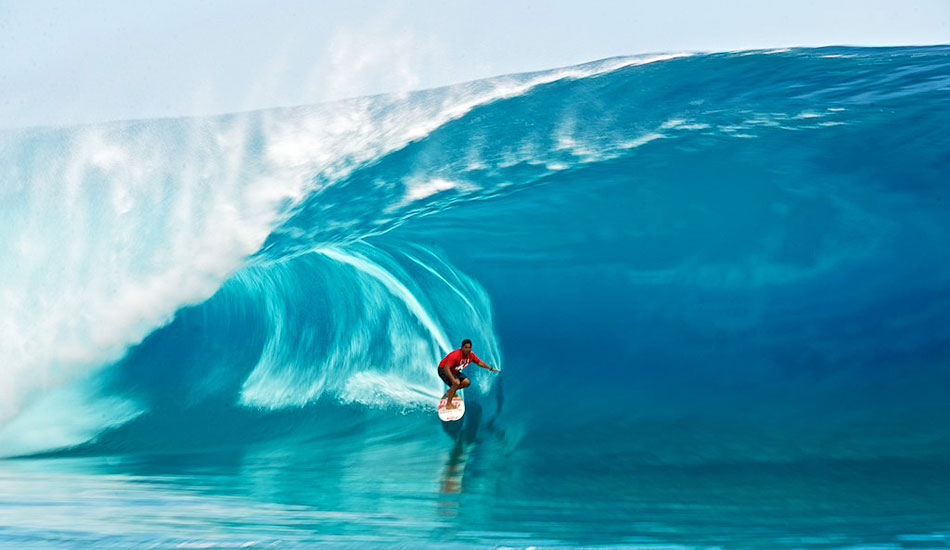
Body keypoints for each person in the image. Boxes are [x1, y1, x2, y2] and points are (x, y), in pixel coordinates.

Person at [438, 339, 498, 409]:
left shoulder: (471, 355)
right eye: (466, 347)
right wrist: (453, 380)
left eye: (469, 348)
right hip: (443, 370)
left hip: (454, 371)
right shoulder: (455, 355)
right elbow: (446, 368)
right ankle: (448, 404)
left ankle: (450, 391)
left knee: (467, 383)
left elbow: (479, 362)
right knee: (456, 383)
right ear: (462, 347)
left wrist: (490, 368)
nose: (468, 349)